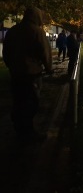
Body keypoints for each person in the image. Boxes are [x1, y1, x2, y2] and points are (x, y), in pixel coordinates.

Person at [2, 7, 53, 143]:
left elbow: (6, 52)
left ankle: (19, 128)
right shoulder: (37, 32)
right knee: (31, 102)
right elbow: (45, 52)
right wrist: (49, 69)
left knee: (18, 100)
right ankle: (28, 132)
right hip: (32, 74)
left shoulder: (13, 31)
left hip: (16, 74)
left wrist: (12, 66)